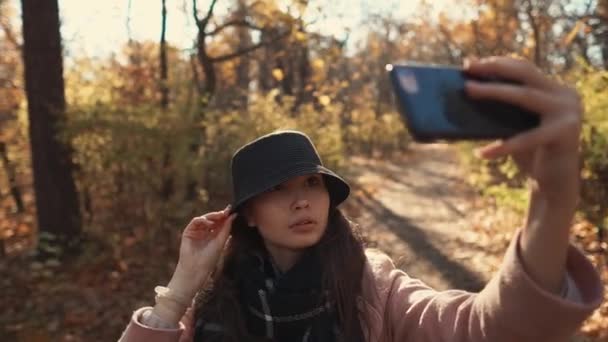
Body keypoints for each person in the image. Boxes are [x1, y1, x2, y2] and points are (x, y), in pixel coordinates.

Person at [118, 56, 603, 342]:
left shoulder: (374, 286)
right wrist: (182, 286)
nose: (302, 201)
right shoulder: (207, 306)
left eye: (311, 184)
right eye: (278, 190)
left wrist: (553, 196)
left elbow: (485, 327)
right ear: (247, 214)